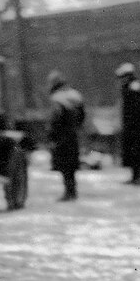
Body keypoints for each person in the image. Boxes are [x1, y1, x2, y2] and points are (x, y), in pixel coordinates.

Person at [46, 69, 85, 202]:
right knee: (72, 164)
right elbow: (82, 116)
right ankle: (72, 191)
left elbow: (54, 120)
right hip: (73, 134)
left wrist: (51, 136)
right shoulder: (75, 95)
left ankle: (69, 191)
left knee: (64, 165)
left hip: (61, 135)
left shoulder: (57, 99)